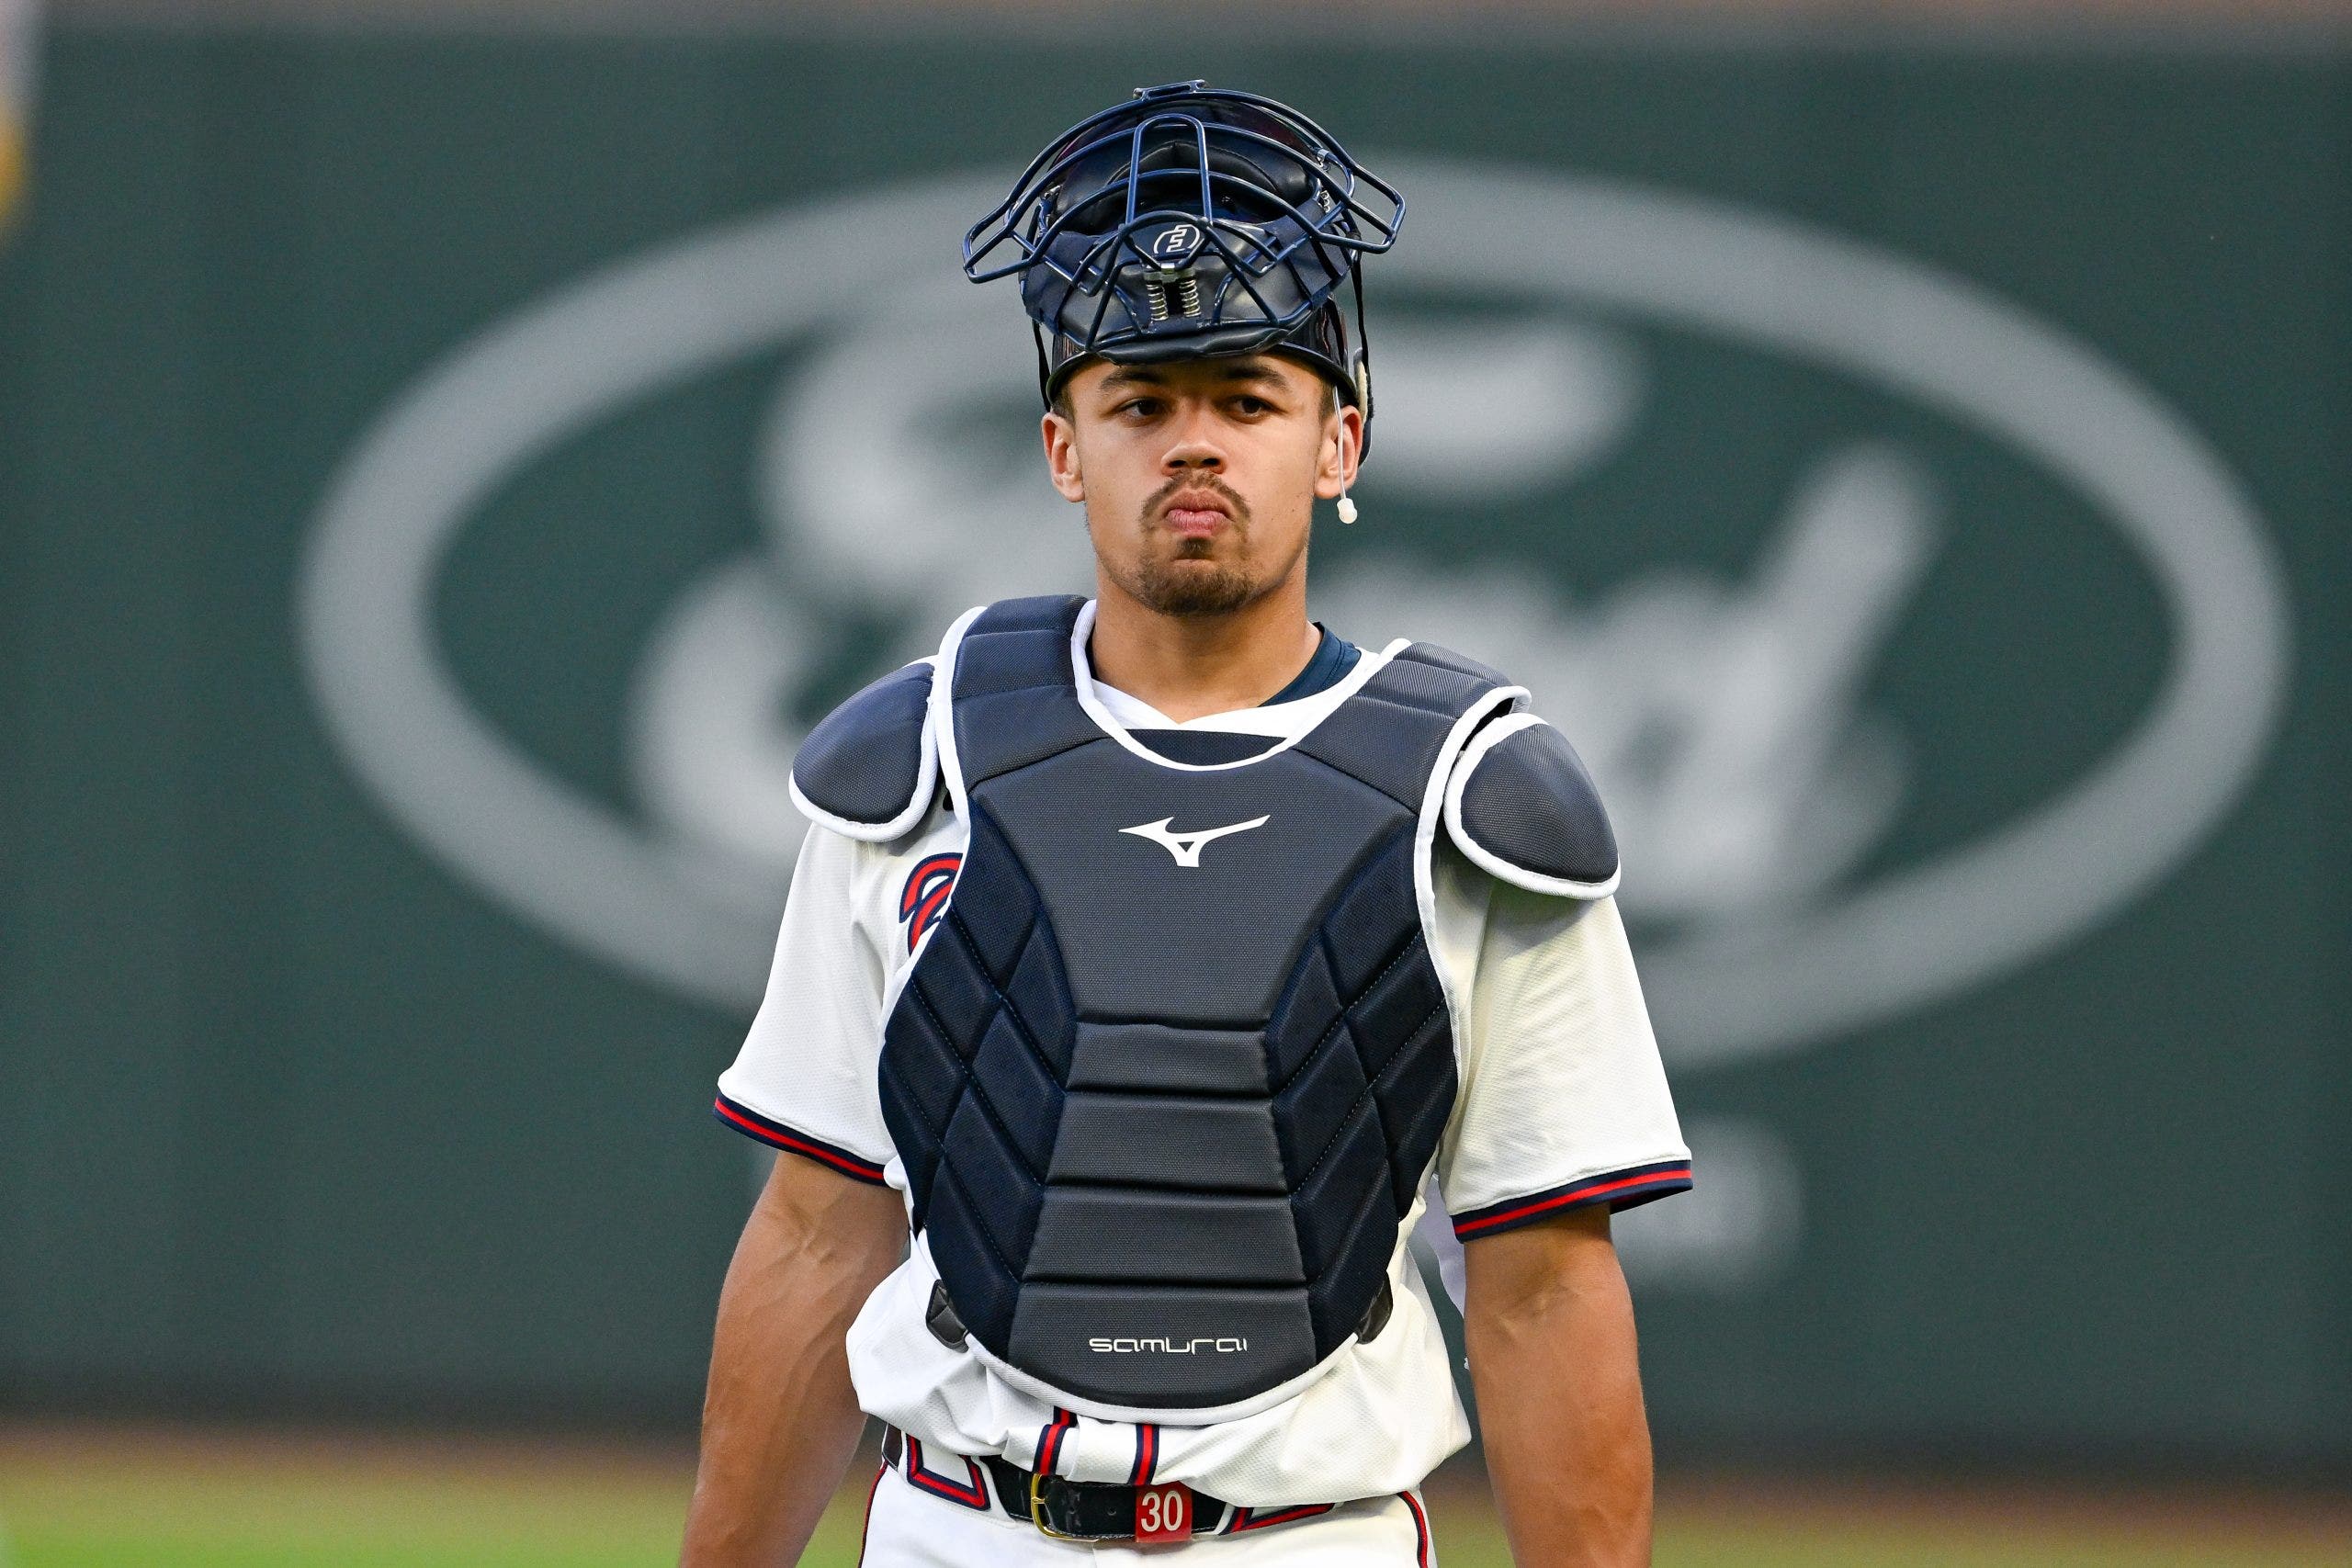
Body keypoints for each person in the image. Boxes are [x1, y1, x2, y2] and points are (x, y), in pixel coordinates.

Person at [679, 82, 1690, 1568]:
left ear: (1339, 443)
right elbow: (821, 1232)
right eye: (1141, 404)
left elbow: (1541, 1287)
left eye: (1246, 399)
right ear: (1060, 448)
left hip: (1309, 1538)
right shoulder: (924, 760)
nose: (1192, 446)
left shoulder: (1476, 802)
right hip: (963, 1528)